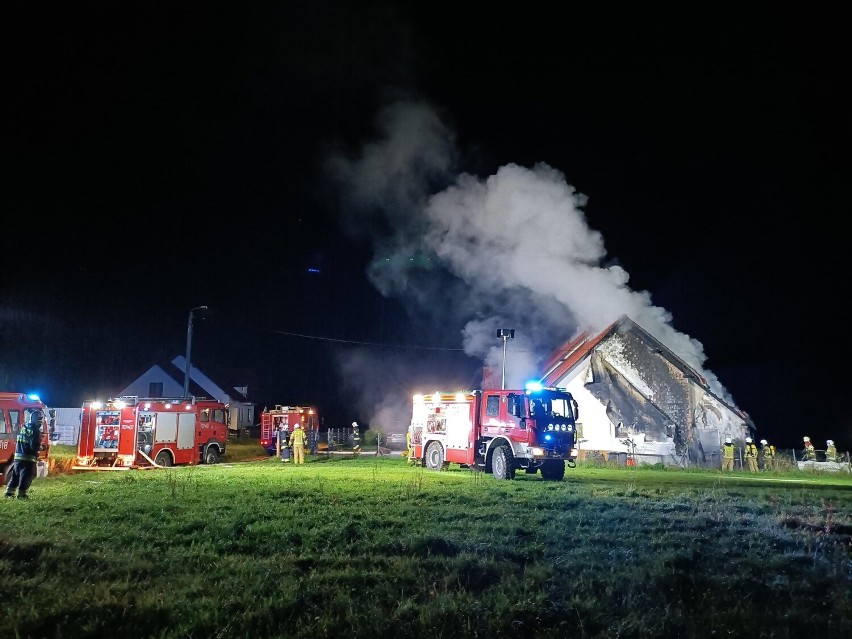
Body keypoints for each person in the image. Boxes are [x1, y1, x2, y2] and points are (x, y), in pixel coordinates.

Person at [5, 409, 45, 500]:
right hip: (28, 458)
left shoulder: (24, 427)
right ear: (38, 420)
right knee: (26, 477)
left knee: (15, 476)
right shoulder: (35, 430)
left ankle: (9, 493)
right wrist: (41, 448)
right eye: (40, 420)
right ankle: (22, 495)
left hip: (18, 457)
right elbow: (34, 446)